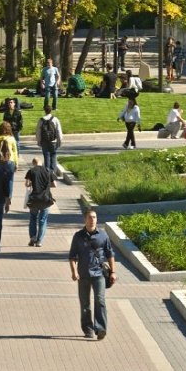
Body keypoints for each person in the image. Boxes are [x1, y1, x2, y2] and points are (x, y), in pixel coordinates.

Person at [68, 209, 115, 340]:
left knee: (100, 300)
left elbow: (110, 254)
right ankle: (88, 328)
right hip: (83, 274)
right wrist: (74, 272)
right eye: (90, 217)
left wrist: (113, 272)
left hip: (99, 274)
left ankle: (100, 328)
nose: (92, 219)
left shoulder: (103, 235)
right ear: (85, 219)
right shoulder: (78, 236)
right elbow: (72, 256)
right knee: (85, 303)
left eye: (94, 217)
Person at [24, 158, 55, 247]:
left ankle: (32, 237)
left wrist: (31, 184)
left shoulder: (31, 171)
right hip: (45, 199)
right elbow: (54, 184)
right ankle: (39, 241)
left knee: (33, 217)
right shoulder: (48, 171)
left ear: (33, 163)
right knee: (42, 220)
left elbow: (26, 184)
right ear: (41, 162)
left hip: (34, 198)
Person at [0, 121, 19, 199]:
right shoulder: (11, 139)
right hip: (10, 161)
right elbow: (15, 152)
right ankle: (9, 197)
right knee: (10, 180)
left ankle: (0, 196)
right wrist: (16, 163)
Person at [35, 104, 63, 177]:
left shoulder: (41, 120)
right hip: (53, 141)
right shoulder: (55, 119)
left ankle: (47, 172)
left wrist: (39, 141)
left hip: (44, 141)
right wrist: (60, 141)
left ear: (45, 111)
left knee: (46, 156)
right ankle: (53, 171)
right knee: (53, 155)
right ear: (51, 111)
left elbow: (38, 131)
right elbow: (58, 131)